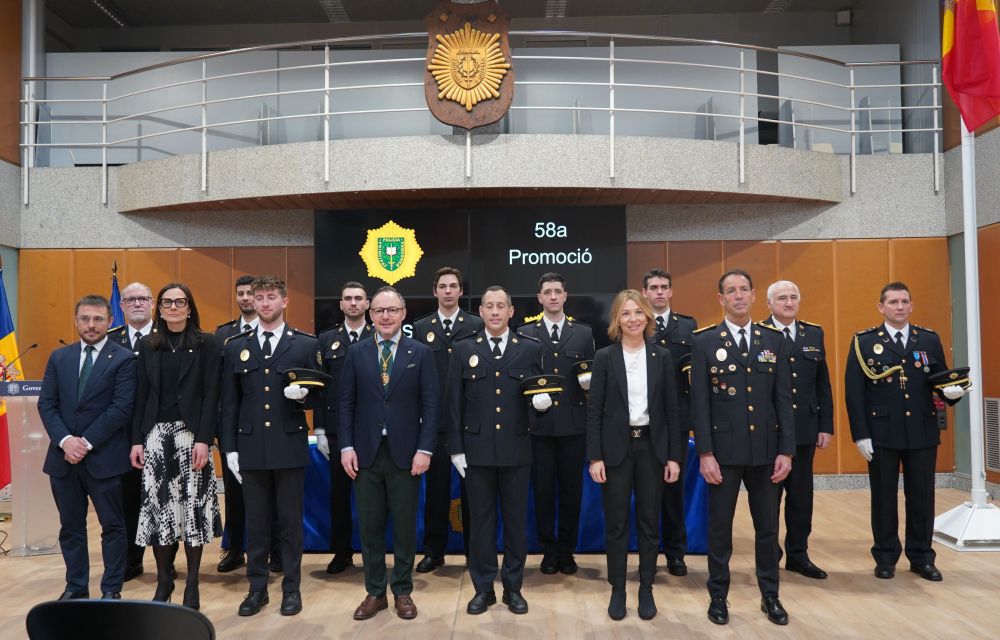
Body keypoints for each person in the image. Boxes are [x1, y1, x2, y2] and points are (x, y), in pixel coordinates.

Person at [690, 269, 794, 626]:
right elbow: (700, 405)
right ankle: (718, 596)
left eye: (744, 289)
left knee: (767, 529)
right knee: (720, 529)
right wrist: (705, 453)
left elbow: (784, 400)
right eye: (731, 291)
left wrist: (786, 451)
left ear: (753, 295)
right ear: (721, 299)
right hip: (723, 453)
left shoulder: (773, 340)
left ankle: (771, 595)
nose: (738, 296)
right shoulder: (704, 341)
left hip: (766, 451)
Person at [844, 281, 966, 582]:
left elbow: (942, 381)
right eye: (893, 302)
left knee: (922, 497)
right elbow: (854, 393)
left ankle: (922, 557)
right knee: (883, 497)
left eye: (904, 302)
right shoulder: (864, 342)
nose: (899, 307)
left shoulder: (928, 339)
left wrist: (953, 394)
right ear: (881, 307)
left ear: (911, 305)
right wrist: (861, 434)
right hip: (882, 432)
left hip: (921, 430)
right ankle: (885, 556)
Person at [220, 275, 323, 617]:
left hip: (288, 445)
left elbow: (320, 396)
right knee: (257, 523)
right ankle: (257, 589)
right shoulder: (235, 345)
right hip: (250, 447)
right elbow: (229, 402)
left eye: (271, 297)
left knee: (290, 524)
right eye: (259, 297)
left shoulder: (304, 344)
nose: (264, 303)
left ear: (284, 301)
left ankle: (291, 588)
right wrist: (230, 449)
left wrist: (304, 397)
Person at [338, 286, 439, 621]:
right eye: (379, 310)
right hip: (365, 454)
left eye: (392, 310)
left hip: (407, 455)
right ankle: (375, 592)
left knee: (405, 527)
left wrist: (425, 449)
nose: (385, 316)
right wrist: (346, 446)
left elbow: (431, 405)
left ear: (403, 314)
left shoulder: (420, 353)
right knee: (369, 527)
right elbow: (346, 402)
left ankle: (403, 590)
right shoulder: (357, 352)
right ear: (371, 315)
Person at [447, 285, 546, 616]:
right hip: (476, 453)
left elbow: (538, 396)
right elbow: (453, 404)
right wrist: (456, 449)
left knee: (516, 523)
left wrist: (540, 407)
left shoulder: (529, 348)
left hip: (517, 450)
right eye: (488, 306)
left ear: (510, 312)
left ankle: (513, 588)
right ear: (480, 312)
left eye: (500, 306)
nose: (494, 311)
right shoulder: (464, 349)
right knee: (481, 524)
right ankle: (484, 588)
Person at [586, 289, 683, 621]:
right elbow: (594, 411)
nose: (632, 319)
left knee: (649, 522)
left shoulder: (662, 357)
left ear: (647, 317)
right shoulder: (604, 357)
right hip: (616, 451)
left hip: (652, 450)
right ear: (617, 319)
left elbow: (672, 411)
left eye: (638, 312)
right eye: (626, 313)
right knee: (616, 524)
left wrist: (674, 457)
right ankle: (618, 590)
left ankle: (646, 588)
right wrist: (595, 457)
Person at [130, 283, 223, 609]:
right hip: (156, 436)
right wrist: (137, 440)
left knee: (193, 511)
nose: (173, 307)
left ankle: (192, 583)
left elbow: (212, 395)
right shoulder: (148, 345)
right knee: (160, 513)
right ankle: (164, 579)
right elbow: (141, 395)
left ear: (189, 307)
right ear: (159, 308)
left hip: (191, 436)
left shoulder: (207, 343)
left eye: (179, 302)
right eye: (167, 302)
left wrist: (204, 439)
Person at [38, 294, 137, 600]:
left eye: (98, 319)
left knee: (113, 527)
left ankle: (111, 589)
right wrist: (66, 441)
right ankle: (76, 587)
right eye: (85, 319)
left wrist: (85, 442)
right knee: (71, 528)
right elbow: (47, 404)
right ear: (76, 321)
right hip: (63, 459)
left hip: (105, 459)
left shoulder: (124, 359)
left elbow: (121, 408)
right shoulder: (59, 357)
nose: (91, 325)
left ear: (110, 321)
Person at [518, 272, 594, 575]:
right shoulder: (526, 332)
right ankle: (548, 551)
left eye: (557, 291)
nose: (552, 296)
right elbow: (520, 377)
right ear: (539, 298)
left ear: (565, 296)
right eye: (547, 292)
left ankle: (567, 551)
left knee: (572, 493)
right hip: (539, 427)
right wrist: (531, 401)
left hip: (574, 426)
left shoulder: (583, 334)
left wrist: (589, 385)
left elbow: (590, 378)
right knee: (543, 493)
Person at [412, 267, 482, 573]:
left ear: (461, 291)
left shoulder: (476, 324)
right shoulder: (420, 327)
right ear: (435, 291)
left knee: (474, 493)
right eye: (443, 286)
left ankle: (474, 552)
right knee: (436, 492)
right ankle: (433, 551)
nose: (449, 291)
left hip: (470, 422)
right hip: (435, 424)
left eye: (454, 286)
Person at [763, 280, 833, 579]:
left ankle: (798, 554)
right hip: (770, 431)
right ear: (769, 303)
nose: (789, 303)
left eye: (793, 297)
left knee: (802, 497)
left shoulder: (813, 334)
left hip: (805, 427)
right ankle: (769, 555)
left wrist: (825, 425)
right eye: (782, 298)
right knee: (769, 498)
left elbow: (822, 384)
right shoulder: (759, 334)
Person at [641, 268, 697, 577]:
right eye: (653, 287)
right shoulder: (636, 323)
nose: (659, 292)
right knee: (645, 491)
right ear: (645, 293)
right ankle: (646, 552)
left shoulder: (688, 326)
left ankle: (676, 553)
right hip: (643, 419)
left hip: (676, 420)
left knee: (673, 491)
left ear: (671, 291)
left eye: (664, 287)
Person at [314, 281, 372, 575]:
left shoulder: (379, 336)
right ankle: (342, 551)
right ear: (340, 304)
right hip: (337, 431)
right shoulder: (326, 340)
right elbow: (319, 387)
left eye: (358, 298)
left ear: (367, 304)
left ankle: (373, 552)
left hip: (371, 430)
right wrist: (319, 429)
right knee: (339, 496)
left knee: (373, 497)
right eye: (348, 298)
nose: (353, 303)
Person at [107, 281, 154, 582]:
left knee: (162, 500)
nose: (137, 303)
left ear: (152, 304)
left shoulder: (167, 337)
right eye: (131, 299)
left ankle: (165, 561)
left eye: (143, 298)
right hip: (122, 435)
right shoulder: (111, 341)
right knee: (127, 501)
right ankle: (131, 560)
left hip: (159, 429)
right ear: (121, 306)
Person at [214, 274, 259, 573]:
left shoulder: (274, 331)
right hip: (231, 426)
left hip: (263, 425)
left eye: (250, 293)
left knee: (266, 492)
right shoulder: (223, 334)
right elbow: (215, 384)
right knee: (233, 493)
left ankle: (271, 550)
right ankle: (234, 548)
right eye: (240, 293)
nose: (245, 298)